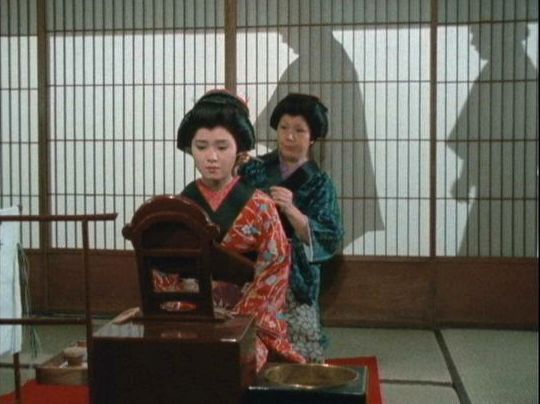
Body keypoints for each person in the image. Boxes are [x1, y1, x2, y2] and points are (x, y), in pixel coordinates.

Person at [154, 90, 306, 371]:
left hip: (247, 320)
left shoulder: (261, 206)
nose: (211, 157)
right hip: (190, 316)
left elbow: (275, 268)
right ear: (190, 149)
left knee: (237, 363)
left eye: (222, 147)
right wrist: (190, 312)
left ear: (239, 149)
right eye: (201, 147)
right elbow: (163, 274)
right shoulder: (180, 207)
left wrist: (239, 319)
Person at [239, 93, 344, 362]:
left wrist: (292, 210)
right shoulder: (255, 170)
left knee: (301, 348)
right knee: (244, 335)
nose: (289, 136)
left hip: (295, 273)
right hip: (253, 266)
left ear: (313, 137)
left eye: (299, 130)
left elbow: (330, 236)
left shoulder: (320, 184)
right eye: (284, 127)